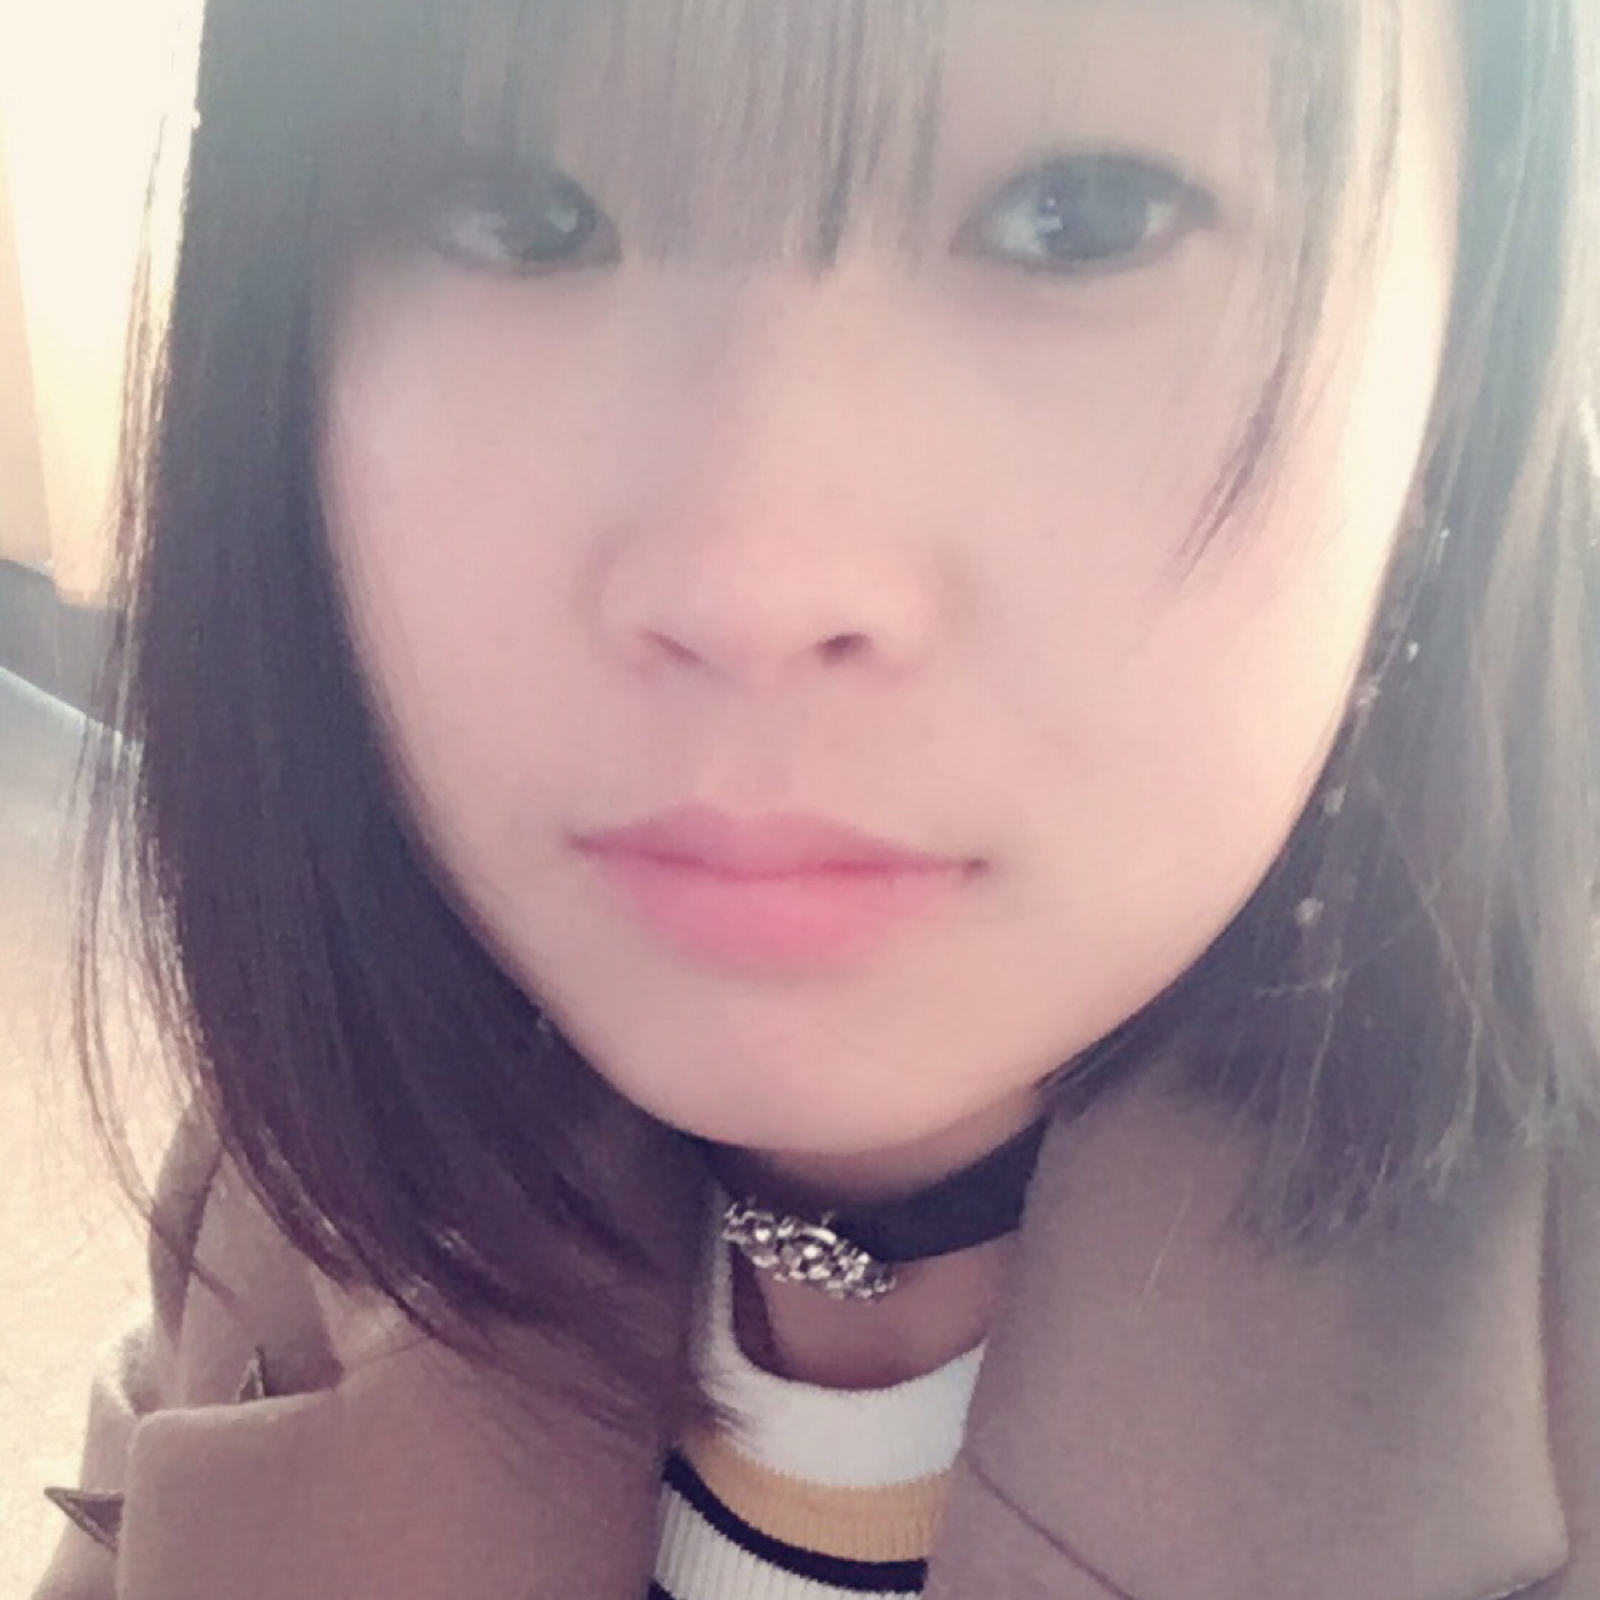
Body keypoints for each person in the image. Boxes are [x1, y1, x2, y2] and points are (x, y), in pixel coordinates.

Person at [32, 0, 1600, 1595]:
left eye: (1081, 215)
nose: (747, 582)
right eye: (518, 213)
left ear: (1470, 340)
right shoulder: (310, 1179)